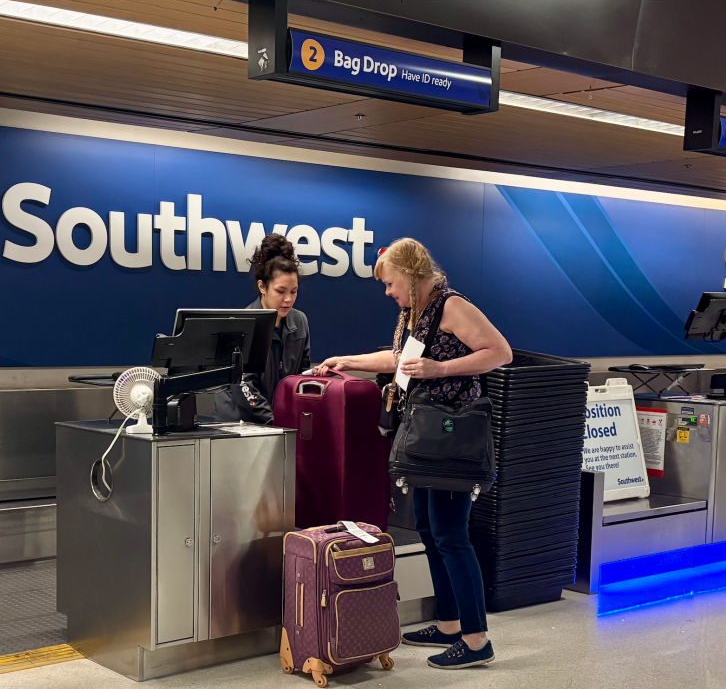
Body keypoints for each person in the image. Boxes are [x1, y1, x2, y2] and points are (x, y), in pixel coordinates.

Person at [315, 238, 512, 670]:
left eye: (389, 283)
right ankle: (447, 624)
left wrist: (441, 369)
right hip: (424, 437)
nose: (387, 291)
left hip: (450, 439)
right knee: (428, 528)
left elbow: (500, 352)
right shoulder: (413, 313)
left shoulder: (452, 306)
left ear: (410, 272)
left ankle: (476, 639)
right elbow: (399, 359)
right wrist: (346, 361)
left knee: (451, 535)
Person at [213, 233, 310, 424]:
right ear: (262, 287)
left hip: (277, 422)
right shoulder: (244, 324)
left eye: (294, 291)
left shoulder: (300, 322)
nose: (288, 299)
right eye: (280, 292)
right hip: (236, 423)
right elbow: (243, 386)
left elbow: (302, 375)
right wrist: (274, 423)